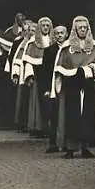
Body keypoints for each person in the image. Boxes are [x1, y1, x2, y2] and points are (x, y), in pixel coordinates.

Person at [50, 16, 95, 159]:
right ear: (74, 30)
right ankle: (70, 148)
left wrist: (91, 68)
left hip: (88, 87)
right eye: (80, 28)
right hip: (71, 87)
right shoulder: (66, 48)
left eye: (85, 28)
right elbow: (59, 68)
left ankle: (85, 148)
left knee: (88, 117)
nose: (83, 30)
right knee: (71, 116)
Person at [24, 17, 53, 138]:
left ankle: (51, 128)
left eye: (47, 25)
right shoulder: (32, 43)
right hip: (38, 75)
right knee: (38, 103)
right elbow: (28, 61)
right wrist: (29, 76)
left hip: (50, 75)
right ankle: (38, 128)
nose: (45, 28)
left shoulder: (53, 42)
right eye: (43, 25)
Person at [41, 25, 69, 153]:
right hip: (53, 86)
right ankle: (53, 143)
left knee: (68, 115)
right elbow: (45, 71)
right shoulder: (49, 50)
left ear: (67, 34)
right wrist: (47, 88)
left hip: (68, 86)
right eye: (57, 33)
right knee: (54, 115)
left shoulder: (71, 49)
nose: (59, 35)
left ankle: (67, 143)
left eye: (61, 33)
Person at [10, 19, 34, 132]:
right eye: (28, 30)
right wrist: (15, 74)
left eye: (33, 30)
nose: (30, 32)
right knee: (23, 101)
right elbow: (17, 59)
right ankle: (23, 124)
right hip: (23, 76)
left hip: (37, 77)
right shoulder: (22, 43)